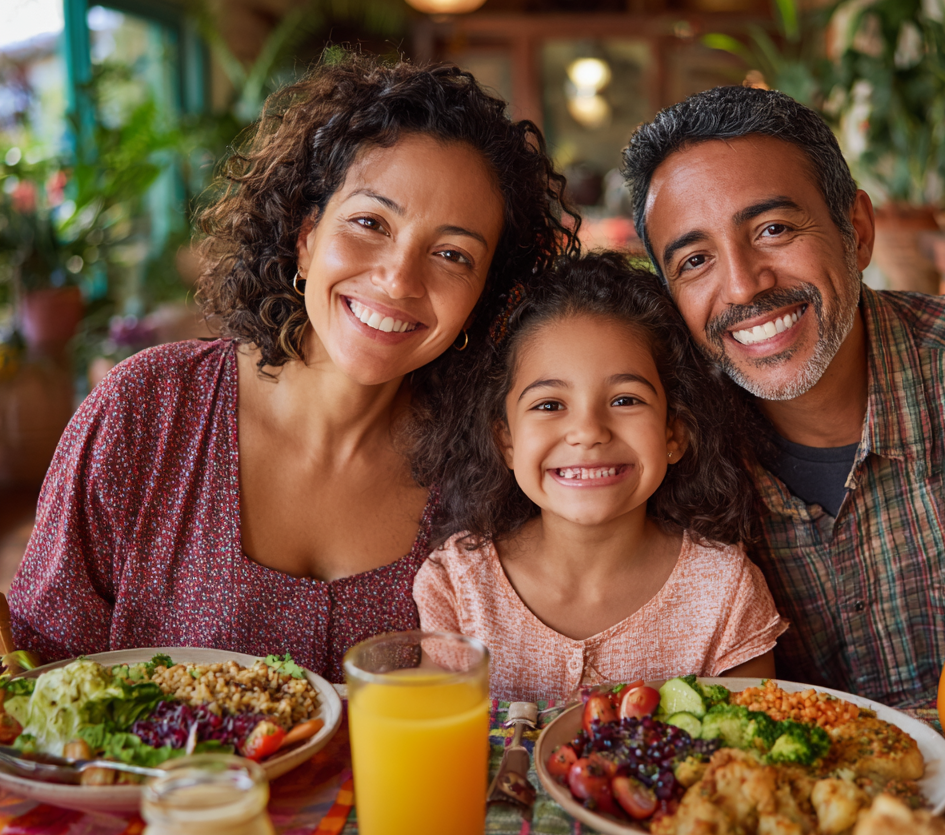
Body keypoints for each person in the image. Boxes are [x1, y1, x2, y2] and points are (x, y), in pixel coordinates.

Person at [9, 56, 577, 680]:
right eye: (369, 223)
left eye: (451, 254)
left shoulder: (492, 463)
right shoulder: (145, 410)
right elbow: (38, 679)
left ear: (484, 294)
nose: (398, 279)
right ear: (306, 235)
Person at [622, 85, 945, 706]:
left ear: (857, 231)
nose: (742, 285)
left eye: (774, 229)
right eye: (695, 260)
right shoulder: (662, 454)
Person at [412, 252, 784, 703]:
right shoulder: (459, 584)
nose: (588, 431)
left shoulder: (726, 592)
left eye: (626, 400)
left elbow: (745, 758)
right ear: (505, 440)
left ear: (675, 432)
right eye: (549, 405)